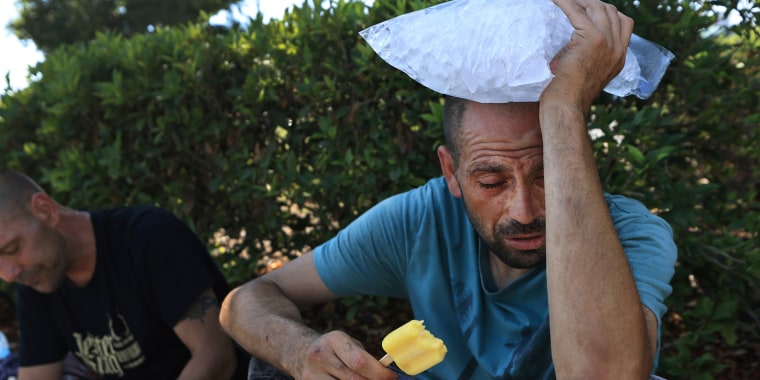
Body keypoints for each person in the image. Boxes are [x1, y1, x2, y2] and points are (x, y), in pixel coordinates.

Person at [220, 0, 677, 378]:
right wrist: (301, 352)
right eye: (492, 180)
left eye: (547, 174)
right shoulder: (419, 221)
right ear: (451, 172)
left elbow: (607, 374)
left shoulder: (633, 233)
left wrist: (563, 111)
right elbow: (247, 300)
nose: (523, 209)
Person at [0, 169, 249, 379]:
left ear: (45, 210)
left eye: (12, 249)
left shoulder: (148, 239)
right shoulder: (38, 280)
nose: (9, 275)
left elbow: (216, 356)